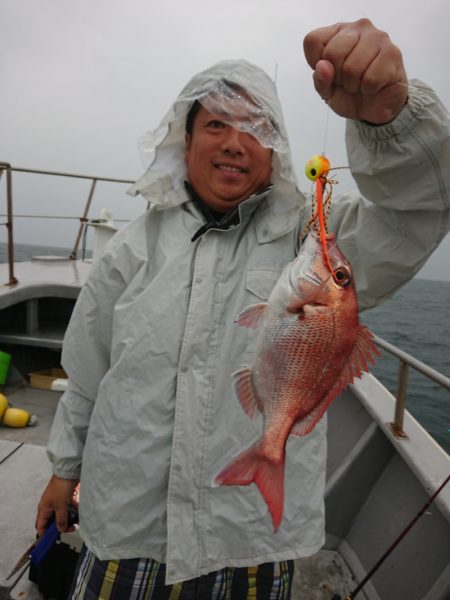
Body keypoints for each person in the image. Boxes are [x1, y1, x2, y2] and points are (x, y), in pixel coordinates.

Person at [36, 18, 450, 599]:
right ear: (185, 142)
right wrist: (64, 469)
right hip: (124, 528)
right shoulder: (132, 249)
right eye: (215, 124)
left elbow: (415, 214)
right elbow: (87, 373)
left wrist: (393, 121)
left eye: (256, 127)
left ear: (276, 148)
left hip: (248, 538)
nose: (234, 141)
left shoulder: (312, 235)